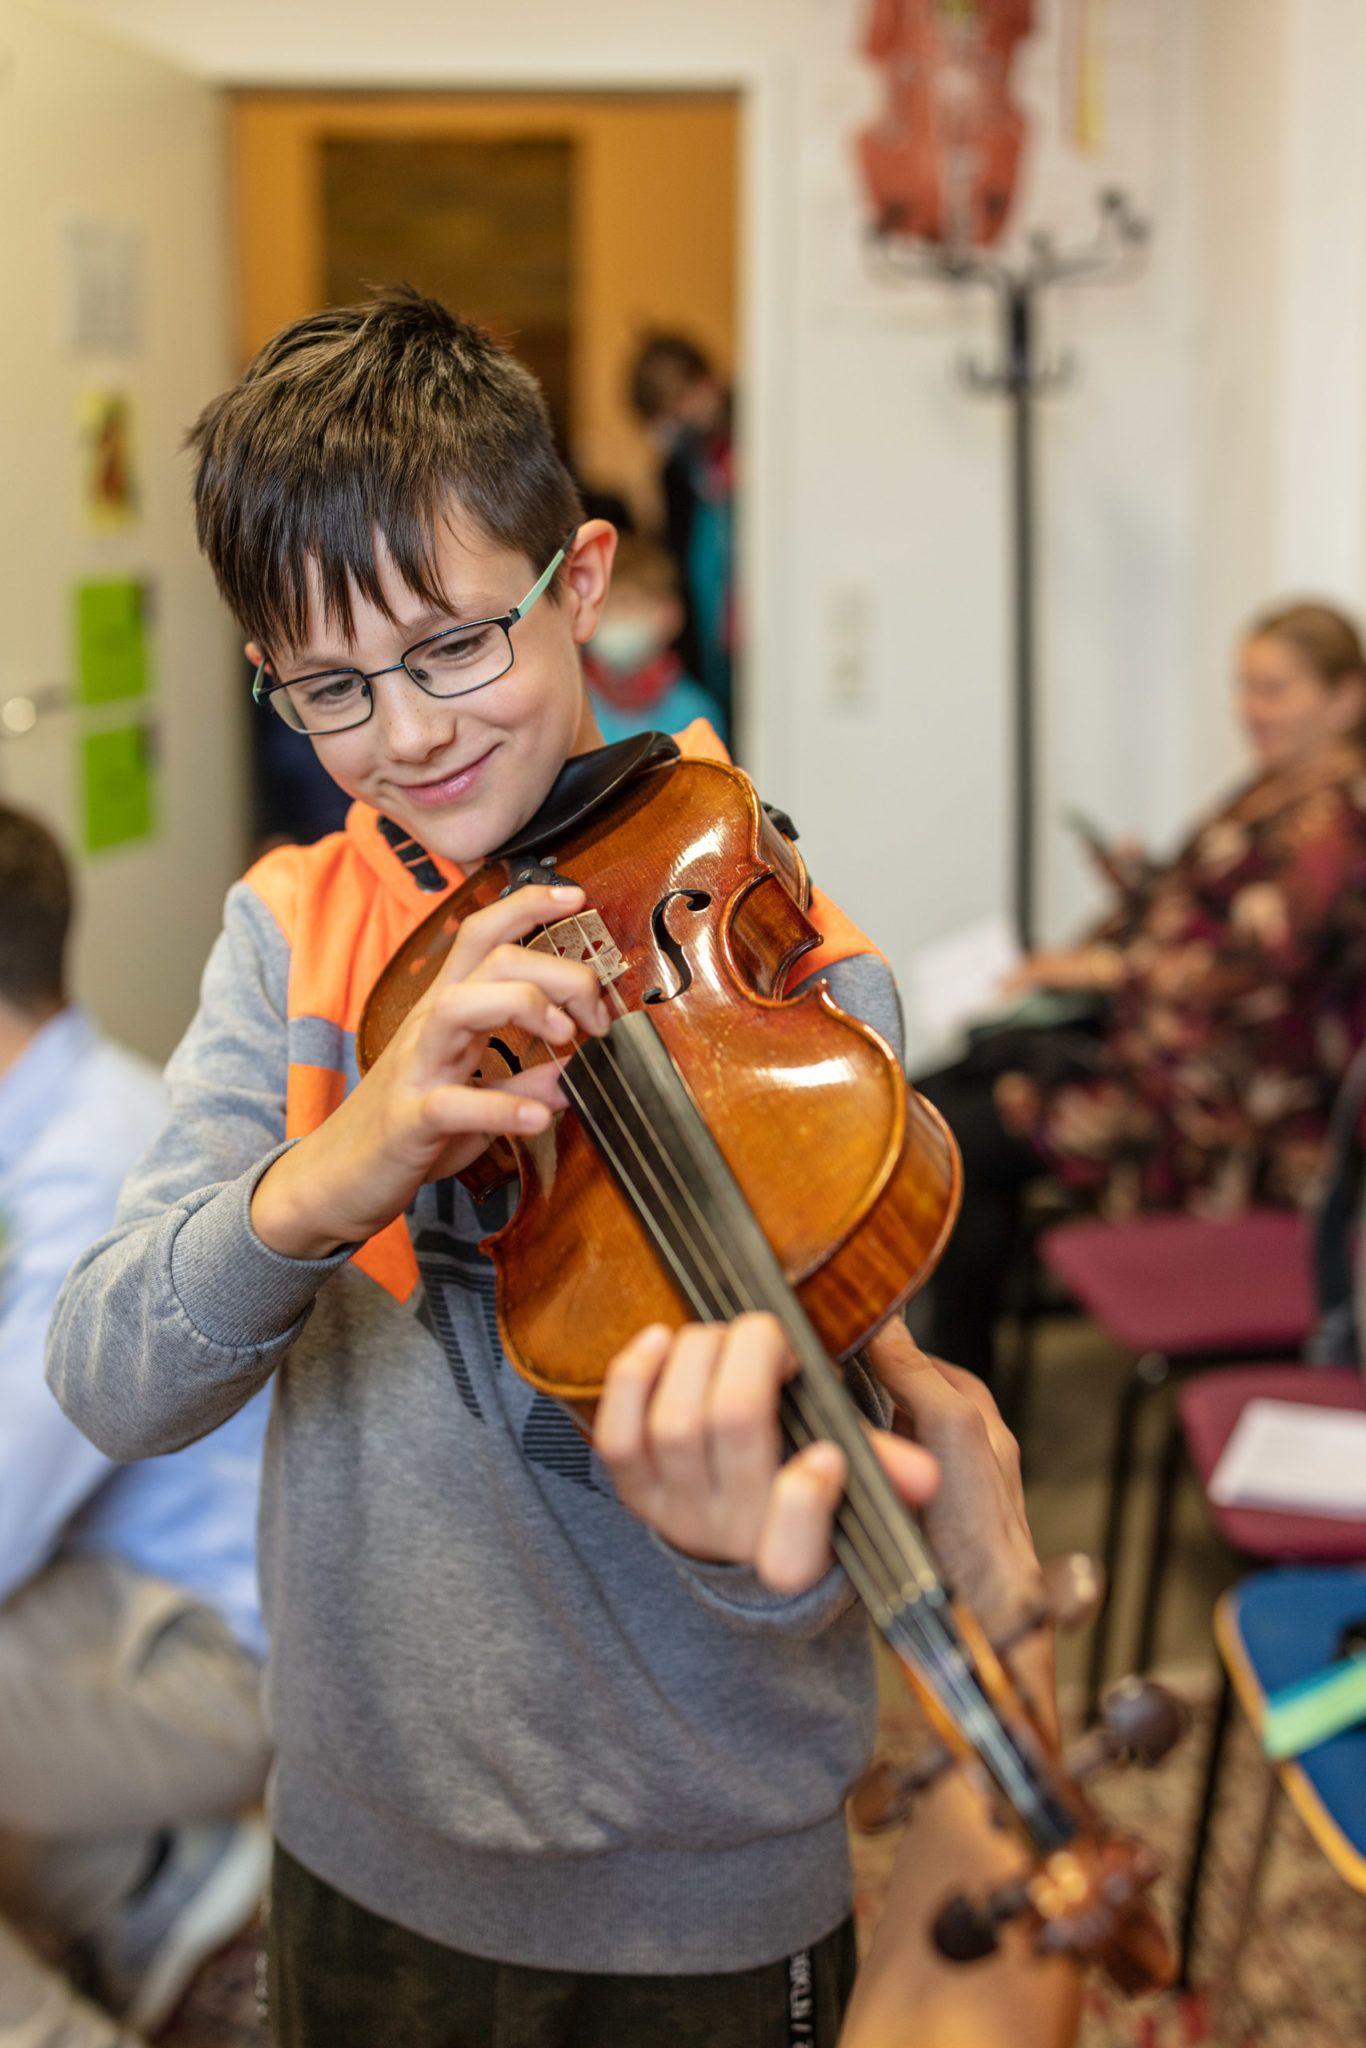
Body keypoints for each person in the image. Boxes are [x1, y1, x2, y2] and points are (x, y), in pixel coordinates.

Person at [48, 289, 1067, 2048]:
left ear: (579, 581)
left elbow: (829, 1522)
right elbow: (109, 1378)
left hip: (706, 1893)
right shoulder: (291, 941)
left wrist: (747, 1548)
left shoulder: (791, 981)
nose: (407, 735)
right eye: (331, 686)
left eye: (453, 646)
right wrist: (341, 1163)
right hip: (361, 1851)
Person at [916, 600, 1366, 1381]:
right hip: (1161, 1063)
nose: (1251, 709)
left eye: (1274, 689)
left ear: (1345, 698)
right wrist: (1145, 886)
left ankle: (962, 1393)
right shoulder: (1275, 789)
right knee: (934, 1098)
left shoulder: (1338, 820)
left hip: (1222, 1113)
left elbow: (1257, 964)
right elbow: (1210, 911)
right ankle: (952, 1376)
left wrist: (1103, 969)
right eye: (1245, 687)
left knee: (951, 1140)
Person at [0, 805, 271, 2048]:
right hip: (112, 1597)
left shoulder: (91, 1168)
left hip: (213, 1658)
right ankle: (143, 1881)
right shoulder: (59, 1114)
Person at [628, 332, 735, 731]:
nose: (675, 424)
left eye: (678, 403)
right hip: (704, 641)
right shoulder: (676, 472)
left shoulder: (760, 446)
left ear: (707, 383)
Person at [583, 533, 727, 745]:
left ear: (672, 614)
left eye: (631, 605)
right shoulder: (574, 706)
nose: (619, 617)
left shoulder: (696, 715)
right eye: (606, 608)